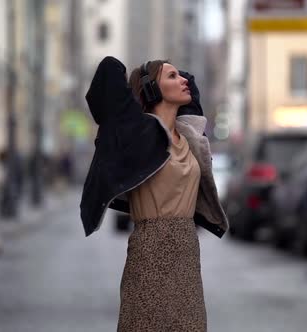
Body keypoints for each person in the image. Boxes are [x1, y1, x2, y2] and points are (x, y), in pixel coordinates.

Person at [81, 56, 229, 331]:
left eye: (179, 76)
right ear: (151, 89)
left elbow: (191, 84)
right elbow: (107, 76)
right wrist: (145, 77)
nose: (183, 80)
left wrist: (170, 75)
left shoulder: (189, 136)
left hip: (186, 250)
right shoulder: (137, 132)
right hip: (151, 248)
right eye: (172, 77)